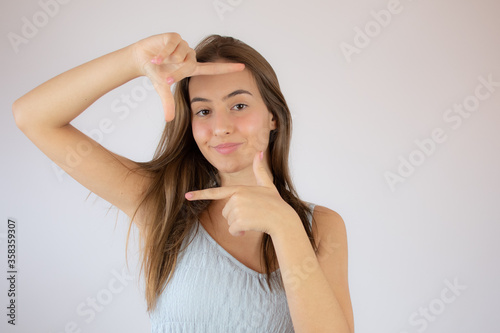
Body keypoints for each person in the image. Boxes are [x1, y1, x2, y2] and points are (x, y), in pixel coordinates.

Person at [12, 32, 354, 332]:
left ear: (274, 116)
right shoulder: (162, 202)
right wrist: (132, 59)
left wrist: (285, 226)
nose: (221, 126)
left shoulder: (320, 226)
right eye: (203, 111)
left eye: (238, 105)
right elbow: (33, 117)